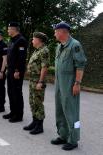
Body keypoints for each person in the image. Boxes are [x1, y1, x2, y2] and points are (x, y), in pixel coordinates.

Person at [51, 22, 87, 151]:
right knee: (60, 110)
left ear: (62, 32)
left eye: (56, 31)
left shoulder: (75, 45)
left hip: (70, 84)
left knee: (71, 112)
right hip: (59, 84)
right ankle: (63, 135)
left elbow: (80, 65)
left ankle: (73, 139)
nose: (54, 33)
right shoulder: (59, 46)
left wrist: (77, 83)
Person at [23, 32, 49, 135]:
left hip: (38, 80)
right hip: (32, 80)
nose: (32, 41)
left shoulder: (44, 51)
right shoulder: (37, 50)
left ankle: (39, 126)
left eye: (33, 39)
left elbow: (44, 67)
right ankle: (34, 122)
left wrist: (41, 81)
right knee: (32, 102)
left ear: (39, 40)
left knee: (38, 103)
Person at [3, 22, 28, 123]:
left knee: (17, 92)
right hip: (10, 69)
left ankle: (18, 115)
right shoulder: (12, 40)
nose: (8, 31)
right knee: (10, 91)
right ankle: (13, 112)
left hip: (16, 71)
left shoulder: (21, 40)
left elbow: (21, 58)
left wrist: (17, 70)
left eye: (9, 29)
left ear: (14, 29)